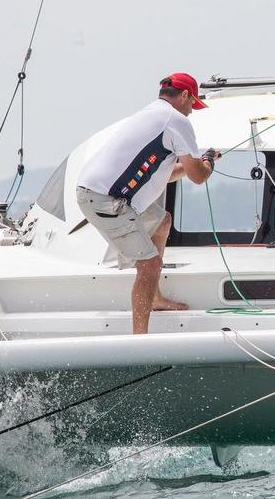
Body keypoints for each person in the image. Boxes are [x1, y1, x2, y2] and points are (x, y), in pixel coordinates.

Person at [76, 73, 218, 334]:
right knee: (149, 265)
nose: (191, 111)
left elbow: (172, 173)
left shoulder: (152, 115)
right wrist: (207, 162)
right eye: (192, 105)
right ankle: (139, 338)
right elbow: (199, 177)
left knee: (162, 221)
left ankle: (155, 298)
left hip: (101, 194)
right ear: (184, 96)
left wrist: (199, 163)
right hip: (107, 201)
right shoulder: (176, 120)